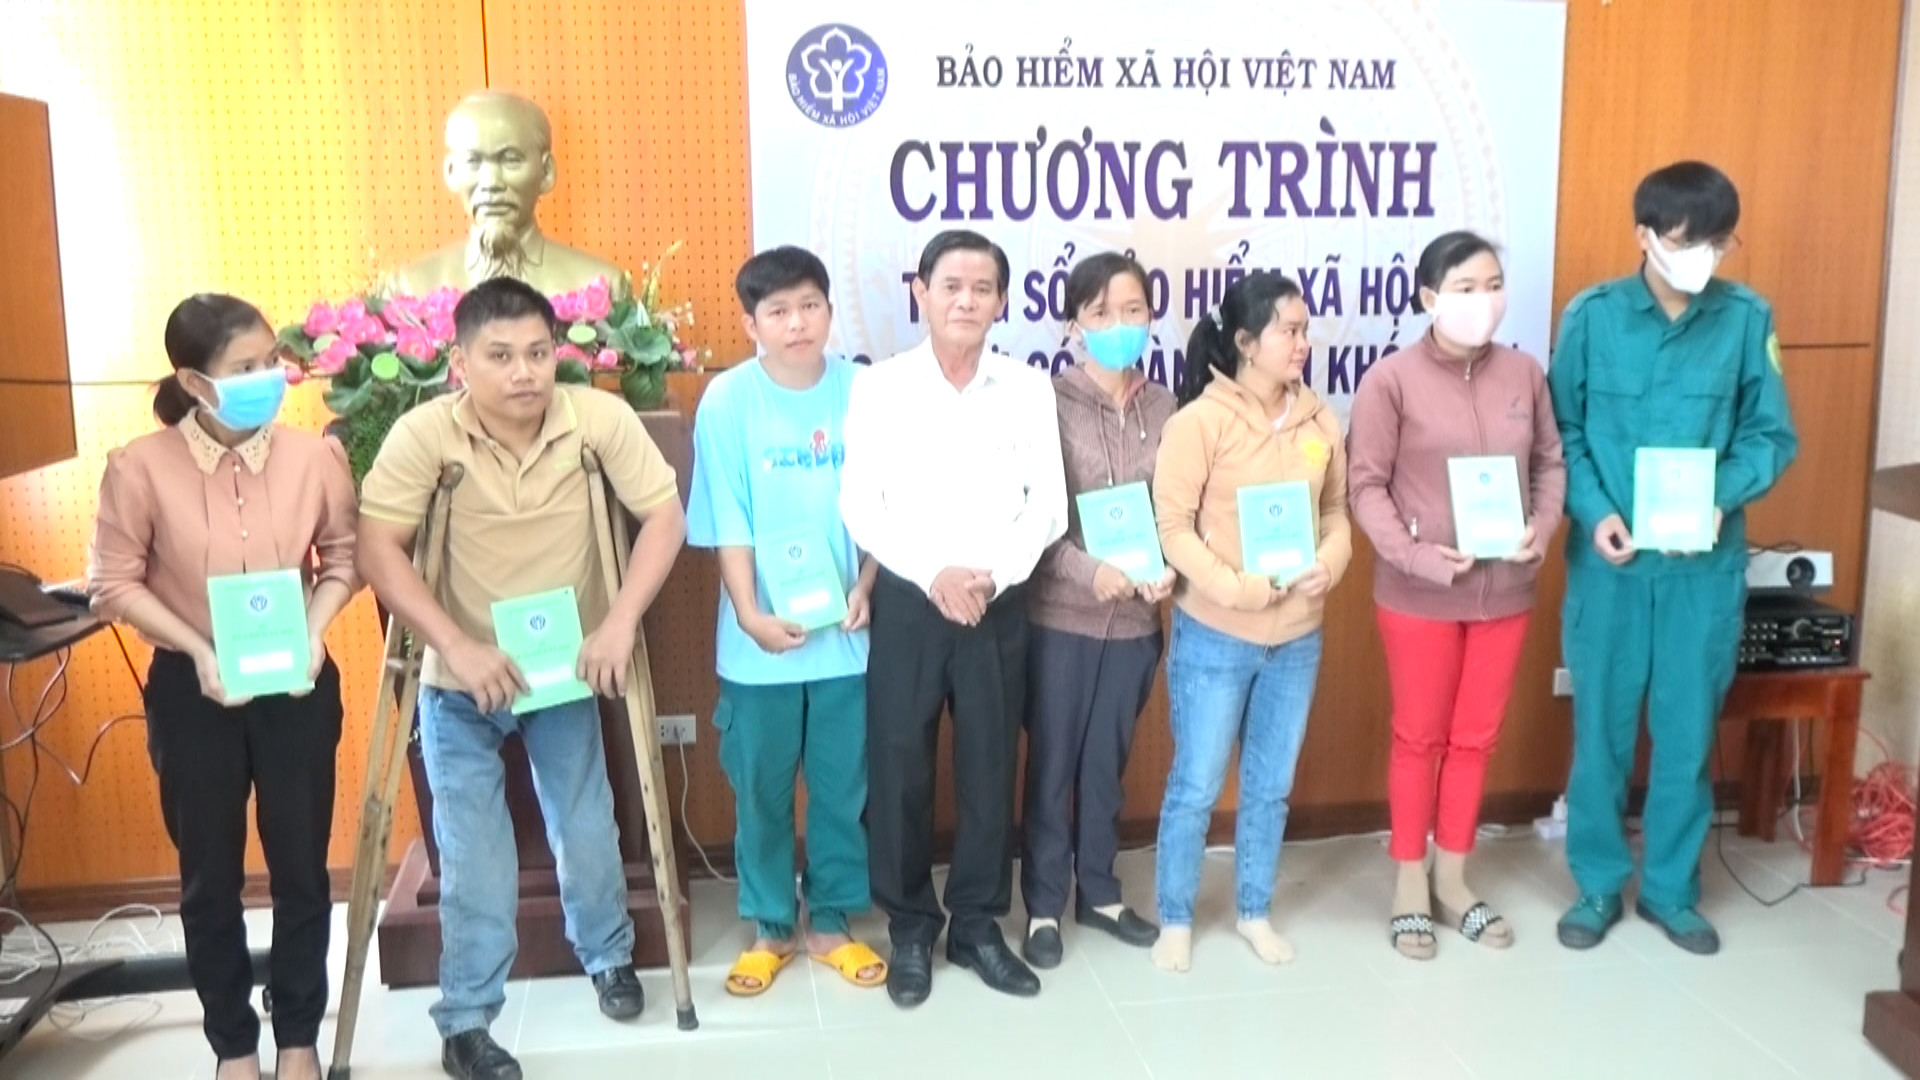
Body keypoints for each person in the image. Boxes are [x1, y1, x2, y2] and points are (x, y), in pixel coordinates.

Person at [356, 277, 686, 1080]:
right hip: (462, 676)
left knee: (586, 822)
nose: (524, 372)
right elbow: (377, 548)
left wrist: (620, 622)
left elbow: (664, 518)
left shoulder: (595, 419)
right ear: (460, 362)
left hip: (566, 666)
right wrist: (455, 646)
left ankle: (607, 954)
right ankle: (467, 1021)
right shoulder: (425, 433)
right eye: (500, 356)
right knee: (474, 853)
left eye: (538, 353)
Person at [87, 295, 359, 1080]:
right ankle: (233, 1047)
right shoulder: (139, 467)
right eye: (245, 368)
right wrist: (199, 650)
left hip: (296, 684)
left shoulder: (314, 458)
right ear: (194, 382)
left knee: (303, 869)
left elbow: (344, 561)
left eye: (272, 361)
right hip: (193, 690)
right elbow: (112, 584)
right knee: (210, 879)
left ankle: (298, 1039)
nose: (268, 378)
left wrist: (313, 630)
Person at [1549, 162, 1796, 956]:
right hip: (1612, 569)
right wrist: (1596, 513)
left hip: (1702, 570)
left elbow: (1770, 436)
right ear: (1646, 237)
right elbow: (1561, 434)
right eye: (1690, 241)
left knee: (1687, 736)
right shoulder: (1592, 317)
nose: (1704, 257)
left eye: (1719, 242)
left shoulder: (1747, 319)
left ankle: (1671, 890)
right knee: (1602, 734)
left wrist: (1719, 499)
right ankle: (1596, 884)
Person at [839, 228, 1067, 1007]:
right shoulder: (881, 388)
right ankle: (909, 928)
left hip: (996, 603)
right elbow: (860, 502)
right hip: (911, 599)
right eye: (951, 286)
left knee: (988, 768)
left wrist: (991, 575)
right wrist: (932, 573)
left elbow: (1048, 505)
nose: (966, 301)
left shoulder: (1028, 389)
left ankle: (975, 925)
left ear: (1001, 302)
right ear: (922, 293)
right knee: (900, 765)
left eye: (982, 289)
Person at [1347, 232, 1567, 960]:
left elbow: (1550, 464)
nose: (1484, 300)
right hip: (1419, 595)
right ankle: (1409, 882)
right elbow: (1365, 487)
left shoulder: (1524, 374)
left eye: (1494, 285)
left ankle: (1454, 877)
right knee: (1419, 737)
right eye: (1466, 287)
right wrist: (1417, 557)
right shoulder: (1390, 381)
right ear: (1429, 297)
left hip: (1506, 591)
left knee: (1476, 739)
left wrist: (1541, 528)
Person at [686, 245, 886, 997]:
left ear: (830, 312)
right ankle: (771, 925)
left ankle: (830, 921)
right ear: (752, 325)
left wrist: (868, 584)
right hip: (759, 646)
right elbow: (729, 517)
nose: (797, 323)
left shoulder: (863, 392)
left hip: (847, 639)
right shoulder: (727, 402)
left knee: (842, 790)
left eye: (809, 306)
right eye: (778, 311)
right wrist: (748, 613)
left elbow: (883, 507)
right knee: (761, 792)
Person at [1150, 270, 1351, 974]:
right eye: (1288, 331)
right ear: (1244, 341)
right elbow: (1171, 528)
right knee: (1197, 785)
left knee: (1270, 786)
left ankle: (1254, 910)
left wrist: (1331, 561)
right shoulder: (1198, 423)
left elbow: (1336, 511)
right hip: (1216, 634)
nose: (1303, 343)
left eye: (1305, 330)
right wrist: (1234, 589)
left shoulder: (1321, 421)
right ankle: (1176, 917)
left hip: (1297, 637)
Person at [1019, 251, 1177, 970]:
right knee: (1053, 764)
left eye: (1133, 310)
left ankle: (1102, 892)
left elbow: (1177, 513)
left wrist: (1168, 568)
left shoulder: (1166, 407)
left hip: (1137, 621)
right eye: (1102, 312)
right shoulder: (1043, 405)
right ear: (1073, 324)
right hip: (1062, 617)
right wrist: (1092, 572)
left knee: (1106, 765)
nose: (1119, 324)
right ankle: (1044, 904)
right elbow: (1030, 521)